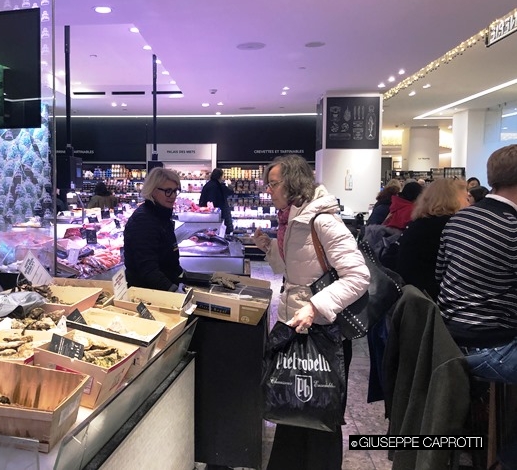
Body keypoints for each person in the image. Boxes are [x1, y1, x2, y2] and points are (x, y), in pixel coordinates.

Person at [253, 155, 370, 470]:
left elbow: (358, 276)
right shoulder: (292, 219)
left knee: (321, 410)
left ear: (292, 183)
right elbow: (293, 271)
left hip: (323, 332)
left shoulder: (322, 220)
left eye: (274, 184)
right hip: (297, 326)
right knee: (292, 407)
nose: (268, 190)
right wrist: (268, 248)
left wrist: (315, 306)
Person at [436, 145, 517, 469]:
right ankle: (506, 459)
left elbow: (440, 276)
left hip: (448, 339)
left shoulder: (458, 220)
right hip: (493, 346)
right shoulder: (512, 227)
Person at [392, 178, 469, 300]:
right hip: (430, 299)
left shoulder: (418, 223)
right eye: (466, 198)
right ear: (453, 200)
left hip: (410, 294)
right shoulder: (449, 227)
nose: (469, 204)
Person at [123, 167, 184, 291]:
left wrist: (185, 277)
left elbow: (169, 262)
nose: (173, 196)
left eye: (175, 191)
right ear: (152, 190)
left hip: (161, 288)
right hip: (148, 294)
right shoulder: (143, 221)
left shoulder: (162, 214)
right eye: (168, 191)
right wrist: (174, 291)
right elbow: (147, 269)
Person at [199, 168, 234, 233]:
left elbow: (202, 201)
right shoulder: (220, 186)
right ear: (220, 176)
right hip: (220, 214)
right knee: (221, 232)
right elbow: (230, 192)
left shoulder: (207, 185)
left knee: (211, 233)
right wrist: (229, 184)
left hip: (208, 216)